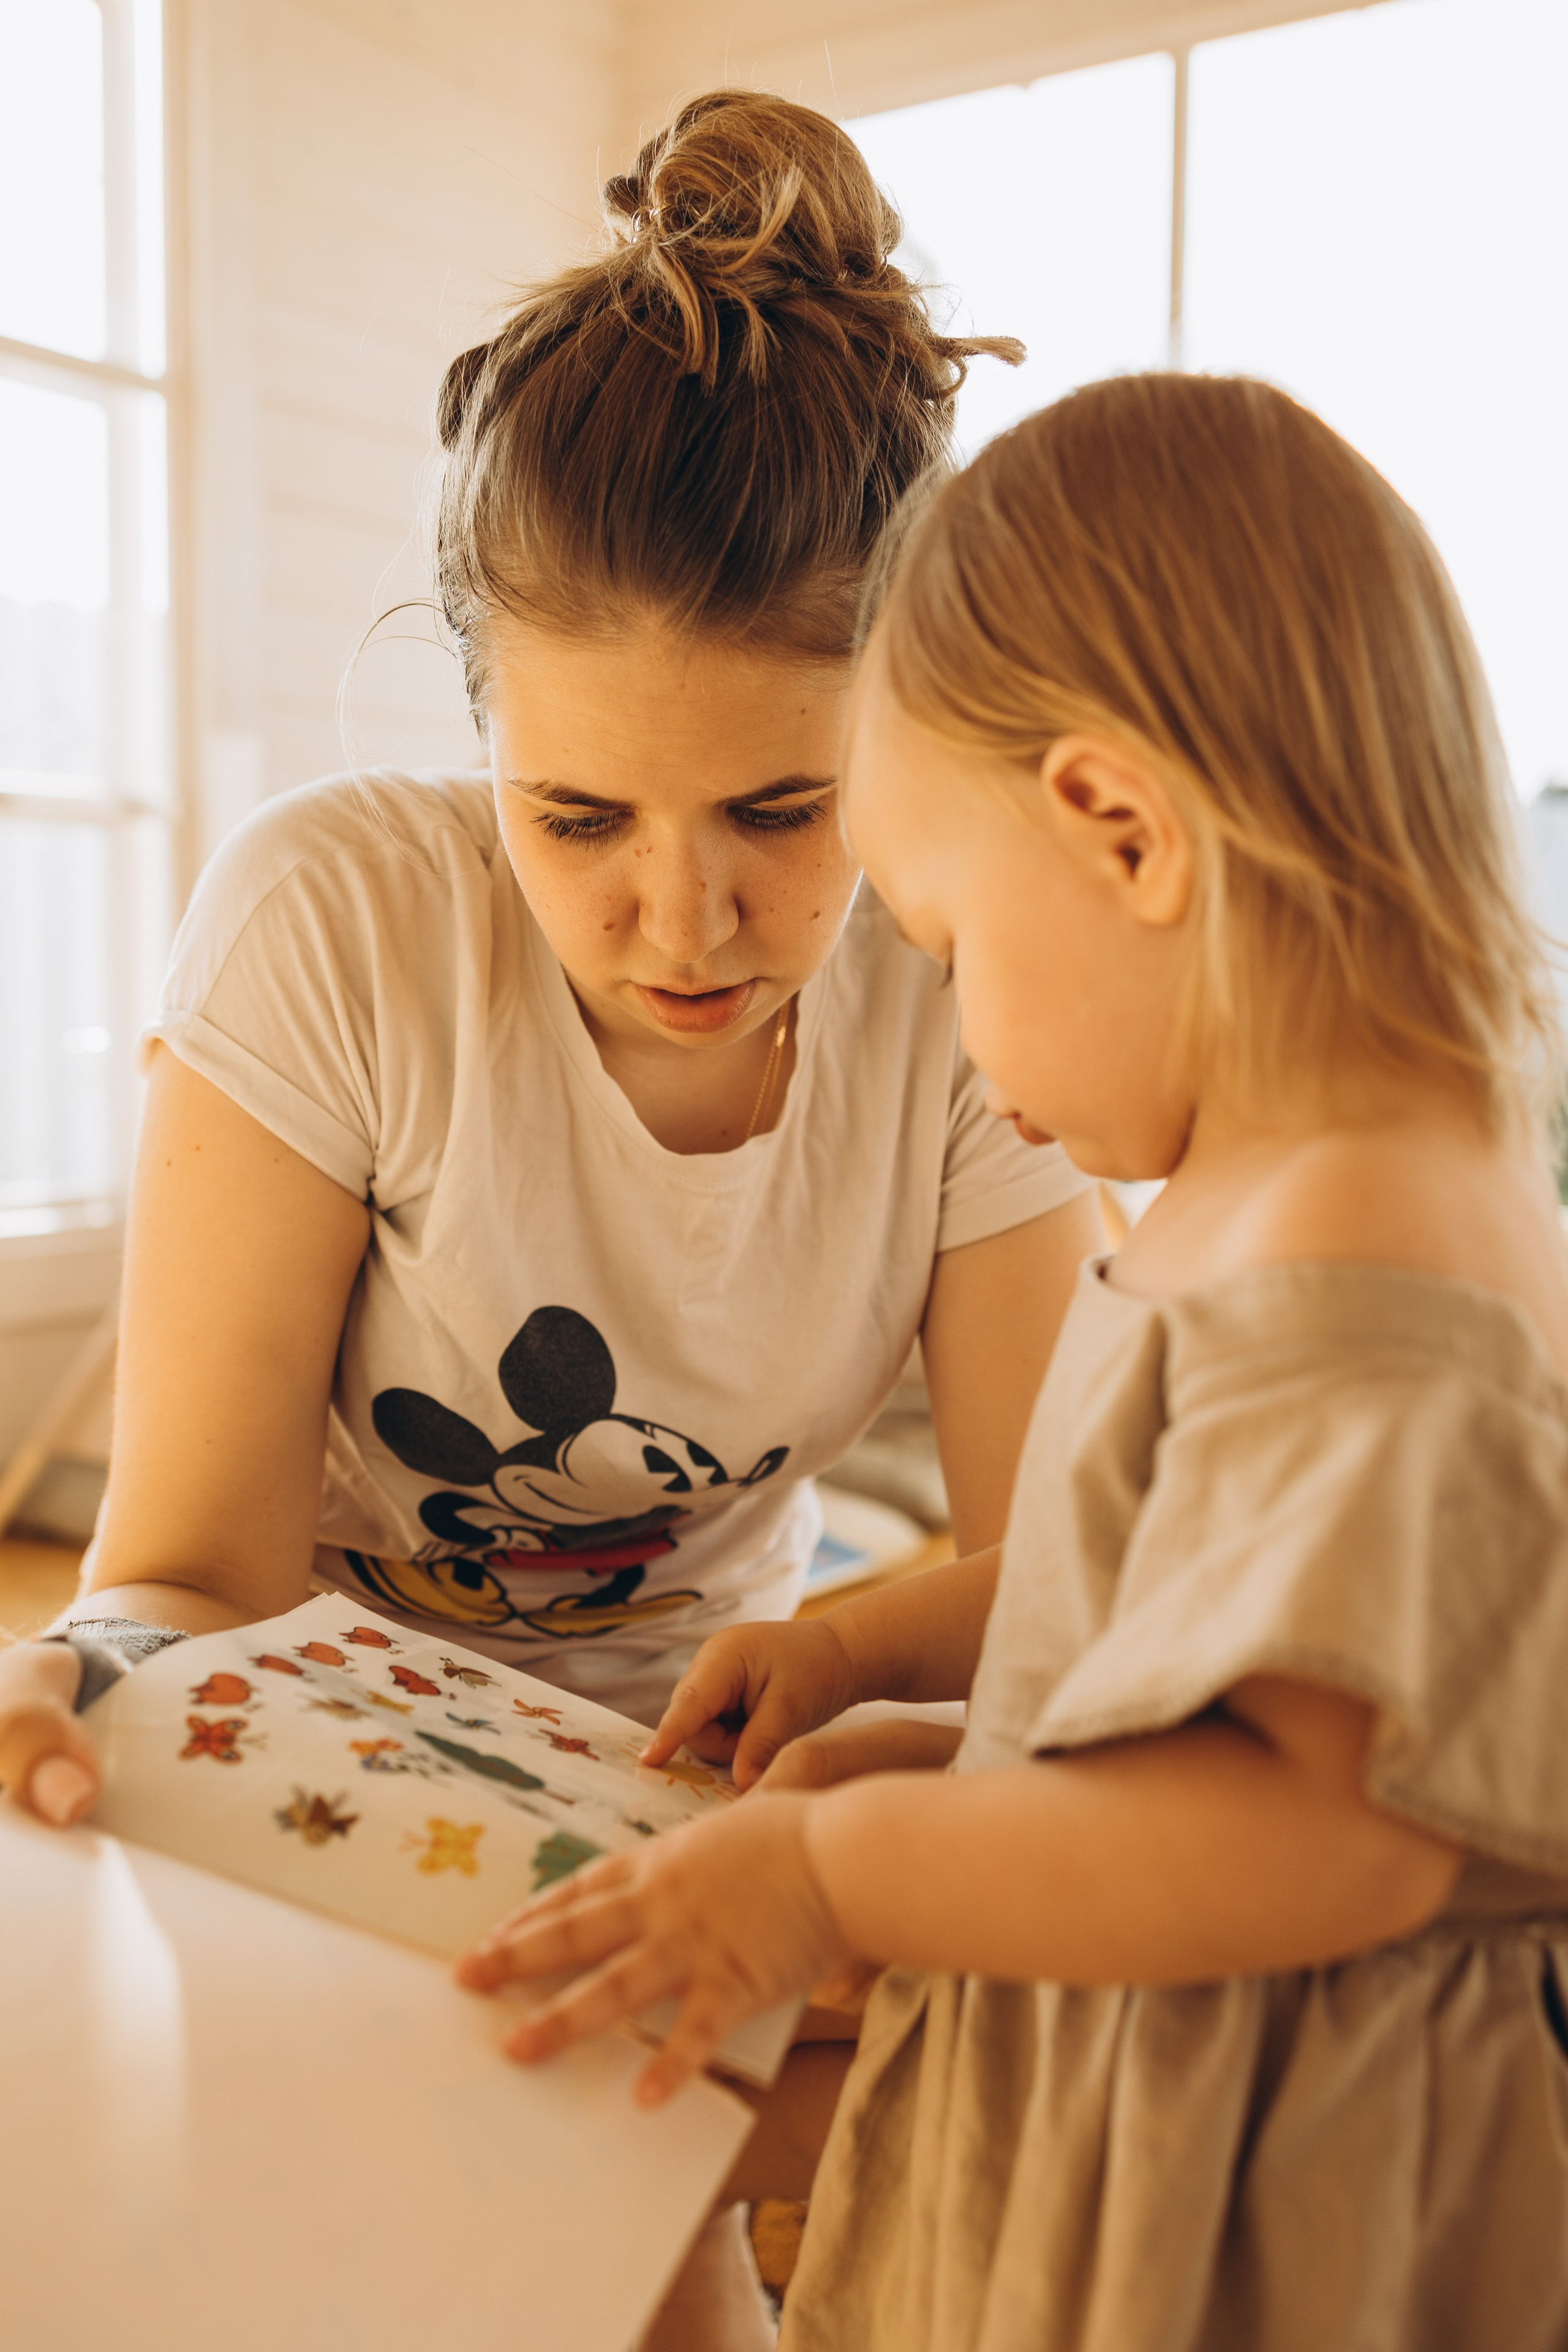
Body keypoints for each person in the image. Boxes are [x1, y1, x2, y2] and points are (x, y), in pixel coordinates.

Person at [454, 372, 1568, 2352]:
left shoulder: (1364, 1268)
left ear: (1124, 833)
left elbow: (1320, 1831)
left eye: (955, 950)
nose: (958, 1038)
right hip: (1155, 2108)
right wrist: (918, 1705)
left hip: (1254, 2208)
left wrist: (837, 1869)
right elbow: (1197, 1653)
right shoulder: (1288, 1207)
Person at [0, 93, 1098, 1823]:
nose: (681, 923)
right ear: (478, 722)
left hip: (711, 1771)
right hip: (307, 1754)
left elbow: (1054, 1586)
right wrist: (82, 1680)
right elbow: (192, 1581)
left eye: (784, 809)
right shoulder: (331, 925)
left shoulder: (975, 987)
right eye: (578, 818)